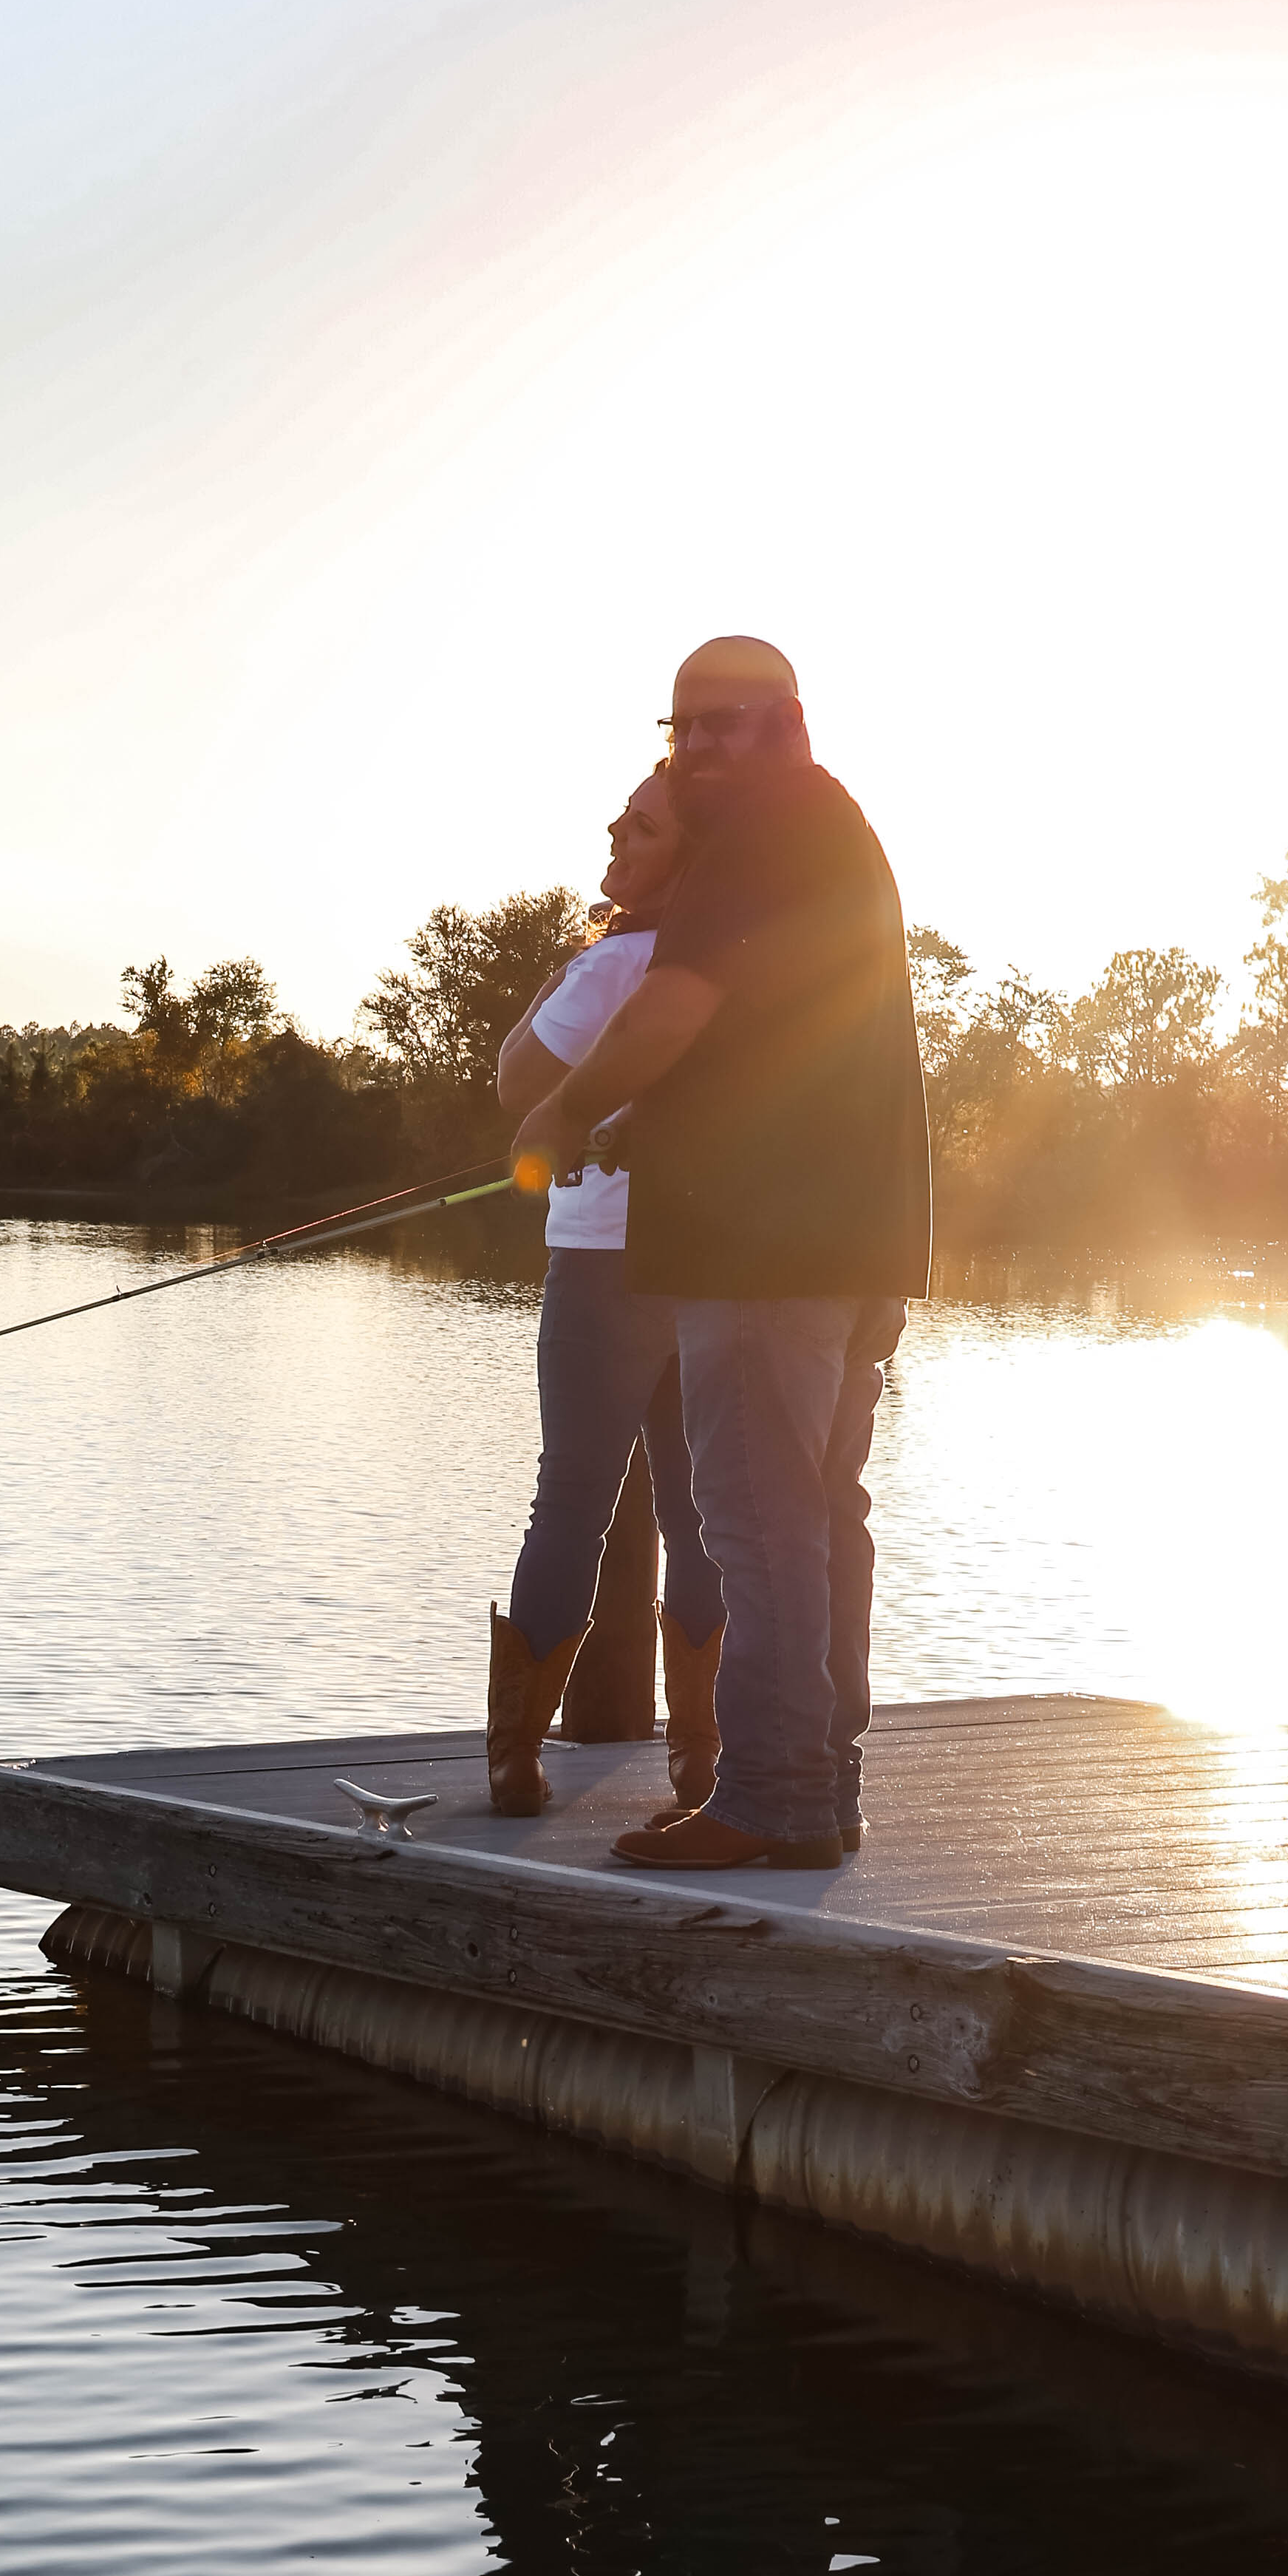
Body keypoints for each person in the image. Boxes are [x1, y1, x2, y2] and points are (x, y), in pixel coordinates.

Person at [508, 634, 929, 1872]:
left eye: (728, 723)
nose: (699, 748)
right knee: (818, 1512)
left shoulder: (754, 838)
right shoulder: (829, 833)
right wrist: (652, 1123)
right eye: (682, 727)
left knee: (754, 1519)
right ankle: (818, 1790)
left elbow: (678, 1005)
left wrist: (565, 1112)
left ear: (790, 722)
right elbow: (774, 1041)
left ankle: (773, 1798)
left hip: (766, 1248)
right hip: (852, 1235)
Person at [483, 771, 725, 1816]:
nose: (616, 833)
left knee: (571, 1502)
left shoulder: (614, 964)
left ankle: (515, 1761)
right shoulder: (735, 972)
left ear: (690, 854)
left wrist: (569, 964)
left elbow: (512, 1081)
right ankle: (704, 1759)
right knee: (703, 1514)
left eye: (643, 825)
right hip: (713, 1267)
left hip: (601, 1267)